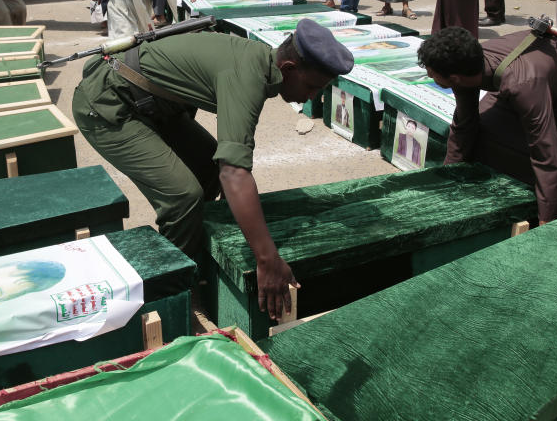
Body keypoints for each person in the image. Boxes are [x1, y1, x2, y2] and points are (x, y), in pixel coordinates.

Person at [72, 19, 353, 321]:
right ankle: (170, 295)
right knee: (182, 196)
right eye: (311, 87)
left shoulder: (258, 61)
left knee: (206, 170)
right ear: (287, 69)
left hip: (152, 105)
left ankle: (195, 258)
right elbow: (234, 173)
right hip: (108, 107)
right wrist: (268, 260)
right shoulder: (248, 77)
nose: (313, 97)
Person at [417, 26, 557, 224]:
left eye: (432, 74)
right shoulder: (465, 66)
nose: (430, 77)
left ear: (454, 78)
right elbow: (464, 124)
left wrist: (546, 223)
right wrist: (450, 177)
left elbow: (545, 155)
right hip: (531, 73)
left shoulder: (522, 84)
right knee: (487, 135)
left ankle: (553, 223)